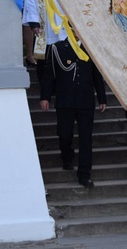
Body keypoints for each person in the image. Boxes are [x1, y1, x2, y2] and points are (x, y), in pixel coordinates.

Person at [39, 37, 106, 187]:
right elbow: (49, 74)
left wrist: (102, 98)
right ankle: (67, 156)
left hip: (85, 100)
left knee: (86, 138)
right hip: (65, 100)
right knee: (64, 133)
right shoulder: (58, 48)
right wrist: (45, 97)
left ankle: (84, 174)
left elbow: (96, 74)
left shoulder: (89, 46)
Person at [23, 0, 70, 84]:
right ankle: (46, 86)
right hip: (45, 24)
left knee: (64, 53)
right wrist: (34, 22)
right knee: (45, 55)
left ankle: (62, 84)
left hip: (64, 22)